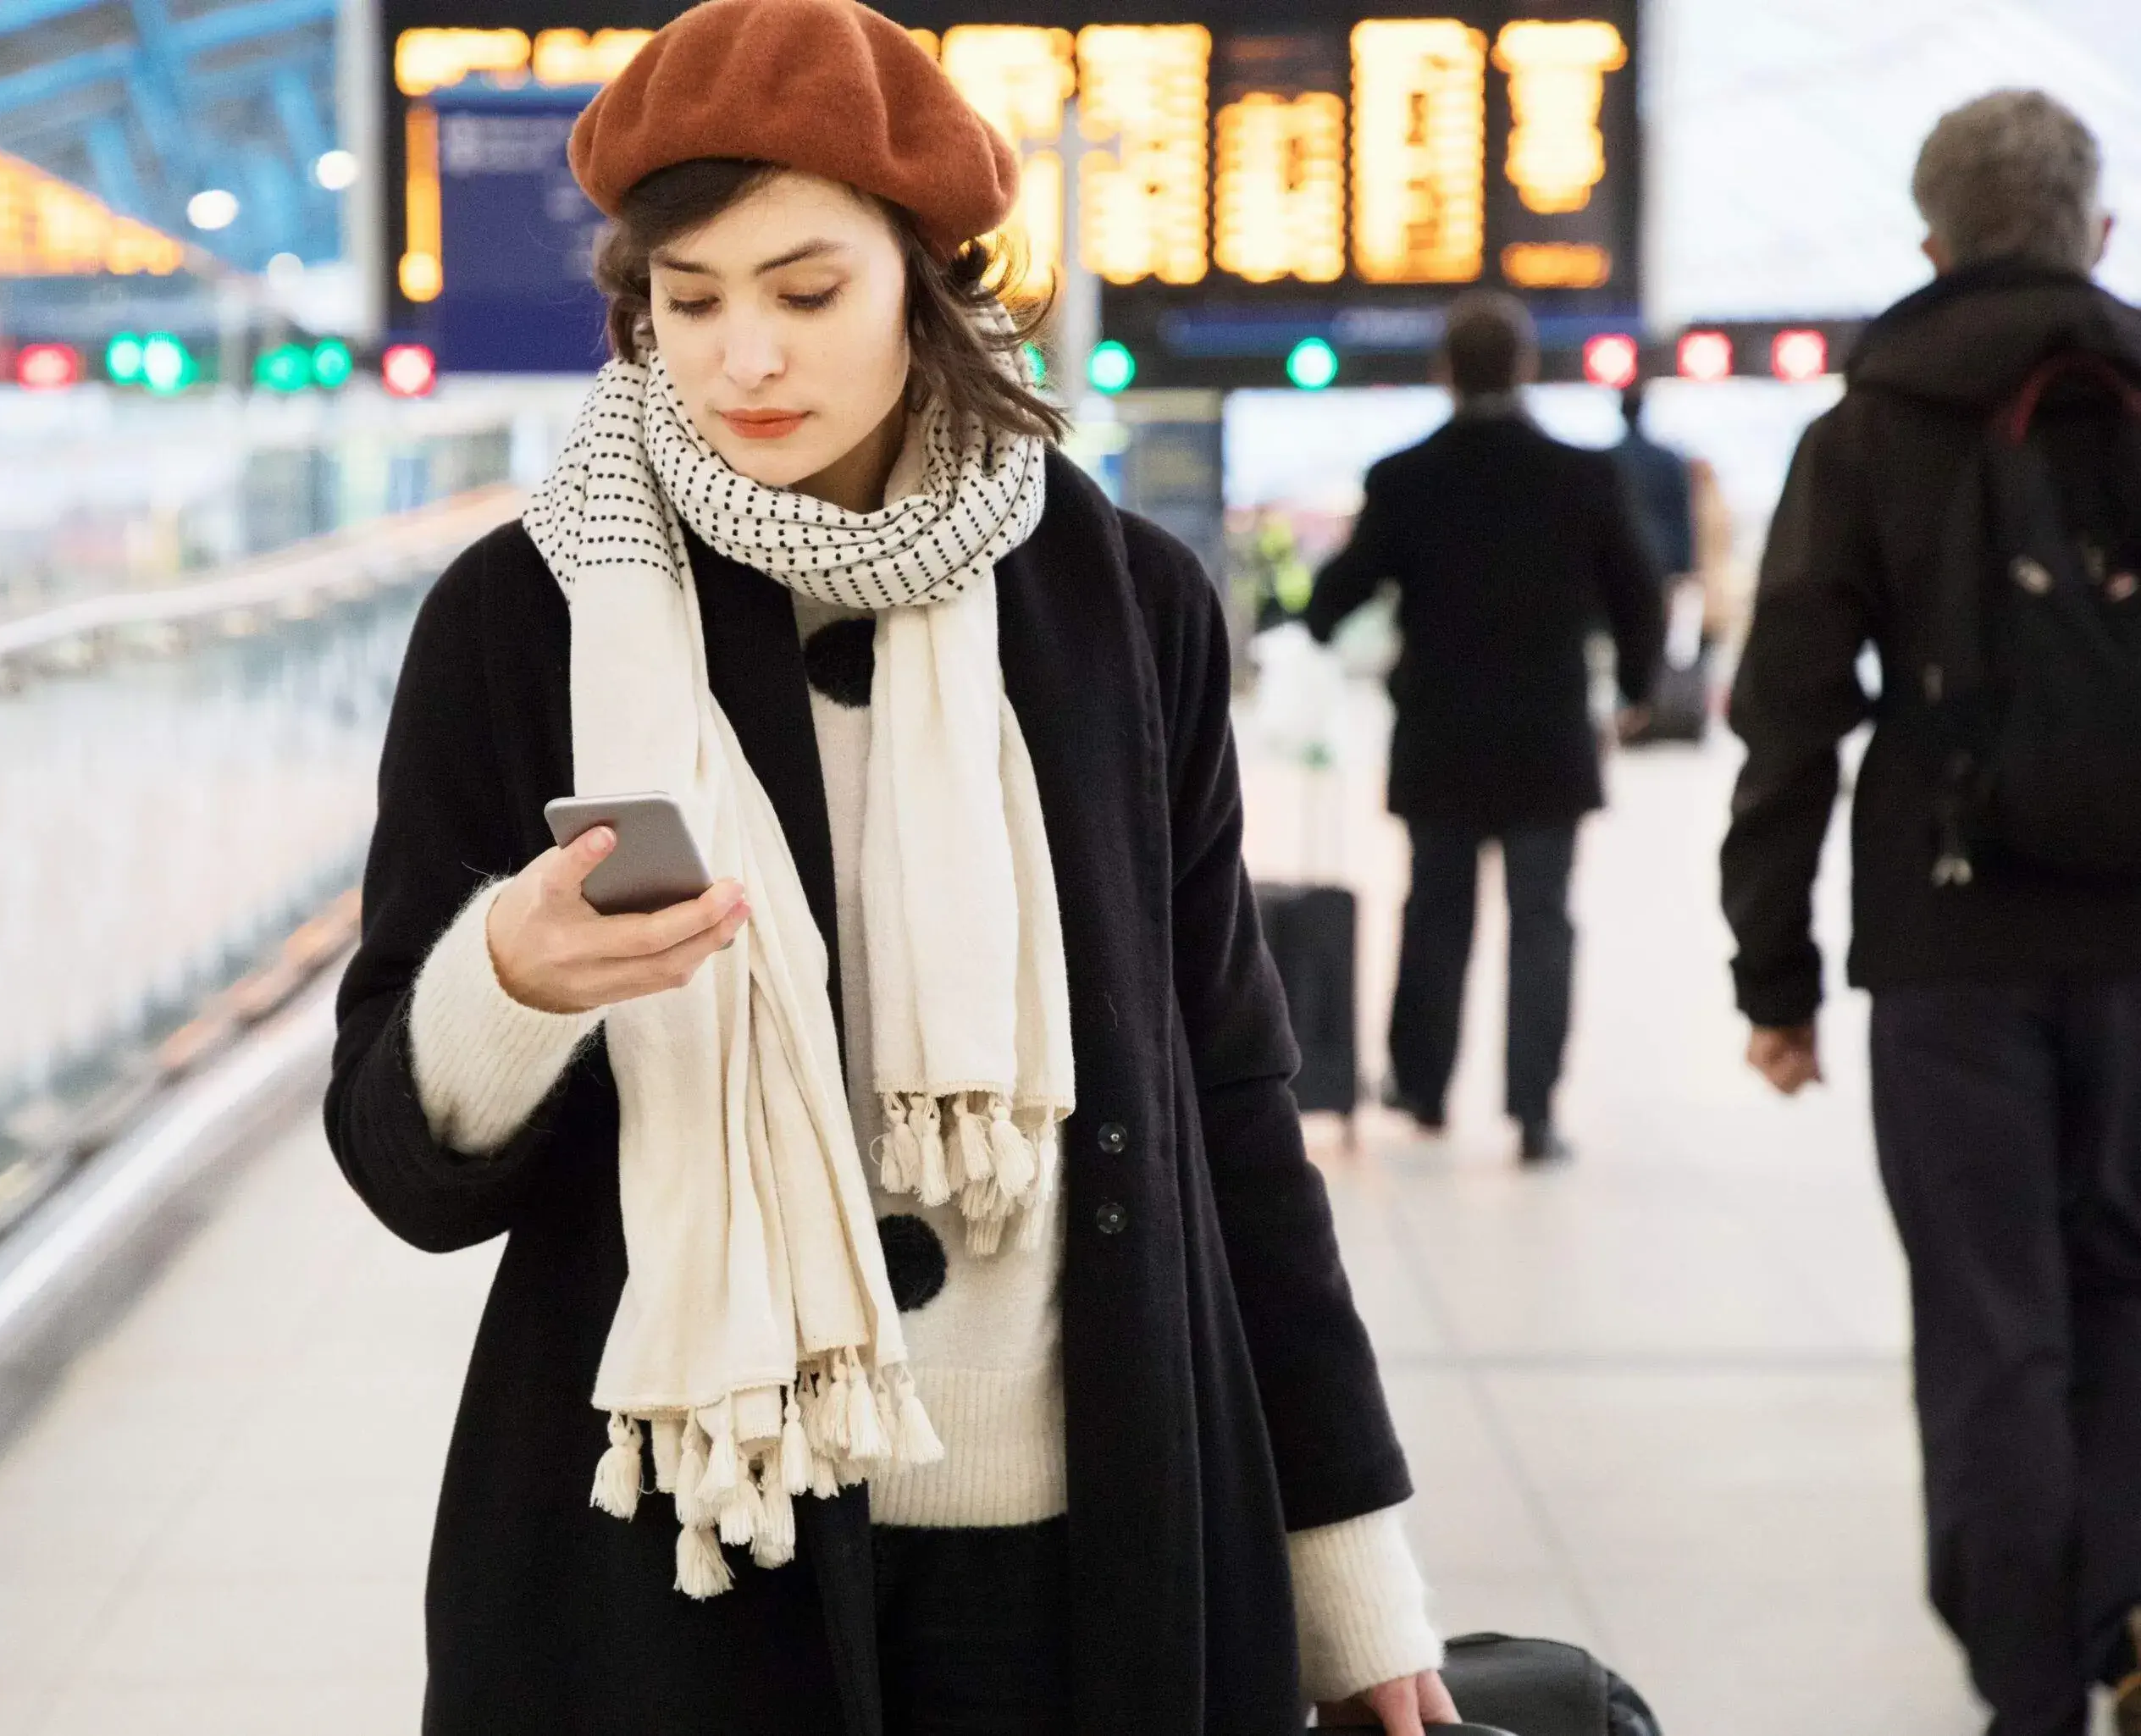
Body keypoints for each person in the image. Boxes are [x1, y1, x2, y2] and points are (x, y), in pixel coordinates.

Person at [323, 1, 1454, 1730]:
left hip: (1095, 1546)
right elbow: (401, 1167)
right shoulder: (529, 618)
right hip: (693, 1562)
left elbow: (1229, 1095)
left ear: (928, 282)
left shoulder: (1122, 603)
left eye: (806, 291)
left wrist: (1352, 1578)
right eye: (690, 299)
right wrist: (508, 983)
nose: (743, 359)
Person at [1721, 89, 2141, 1736]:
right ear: (2098, 232)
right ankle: (2125, 1621)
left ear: (1932, 244)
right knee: (2125, 1289)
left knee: (1990, 1323)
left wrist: (1775, 974)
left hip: (1950, 941)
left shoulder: (1869, 427)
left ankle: (2029, 1685)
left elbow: (1791, 717)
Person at [1305, 292, 1663, 1163]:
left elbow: (1340, 592)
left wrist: (1316, 618)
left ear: (1445, 374)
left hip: (1442, 737)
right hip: (1547, 737)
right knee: (1542, 921)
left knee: (1436, 910)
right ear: (1526, 367)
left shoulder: (1406, 478)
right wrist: (1637, 688)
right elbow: (1638, 592)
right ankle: (1533, 1110)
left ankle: (1423, 1086)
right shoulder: (1581, 475)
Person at [1607, 384, 1696, 590]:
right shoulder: (1666, 460)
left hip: (1622, 556)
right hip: (1663, 556)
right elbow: (1681, 513)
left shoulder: (1610, 461)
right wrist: (1684, 562)